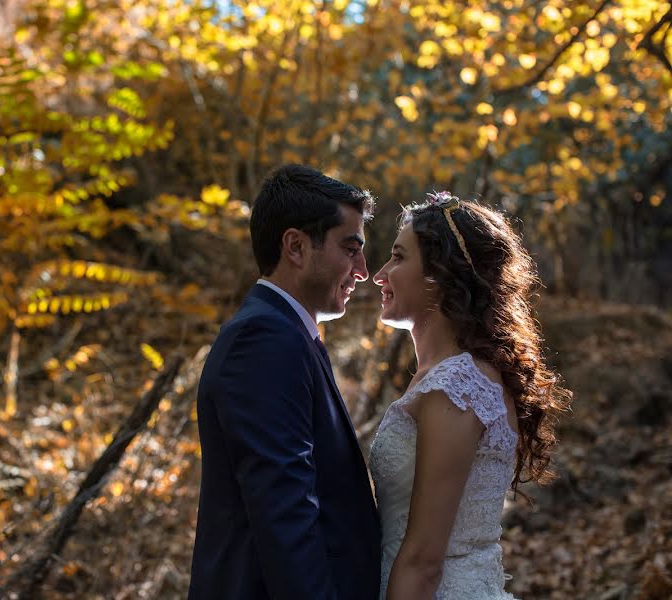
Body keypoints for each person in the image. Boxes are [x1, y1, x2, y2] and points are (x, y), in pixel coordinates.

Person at [188, 164, 382, 600]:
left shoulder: (286, 333)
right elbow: (285, 513)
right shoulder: (263, 340)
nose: (363, 269)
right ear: (295, 246)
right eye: (350, 248)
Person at [368, 191, 571, 598]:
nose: (380, 273)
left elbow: (424, 561)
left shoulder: (456, 388)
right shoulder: (448, 378)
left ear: (441, 275)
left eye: (399, 257)